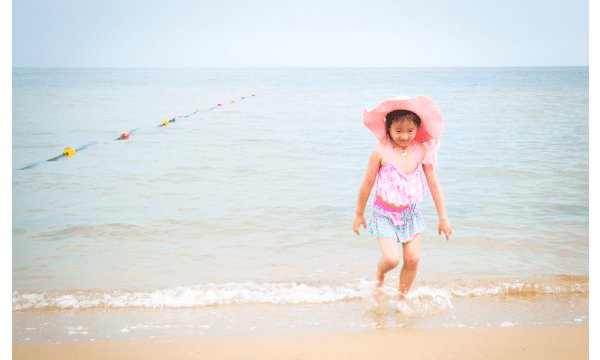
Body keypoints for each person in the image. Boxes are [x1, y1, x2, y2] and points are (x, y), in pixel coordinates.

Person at [352, 95, 452, 315]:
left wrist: (443, 217)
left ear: (418, 128)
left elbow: (435, 186)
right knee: (392, 259)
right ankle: (379, 275)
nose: (404, 136)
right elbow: (367, 184)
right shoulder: (380, 151)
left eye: (410, 131)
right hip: (384, 214)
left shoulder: (422, 151)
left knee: (413, 259)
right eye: (398, 131)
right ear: (388, 129)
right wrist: (359, 214)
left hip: (409, 214)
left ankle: (401, 299)